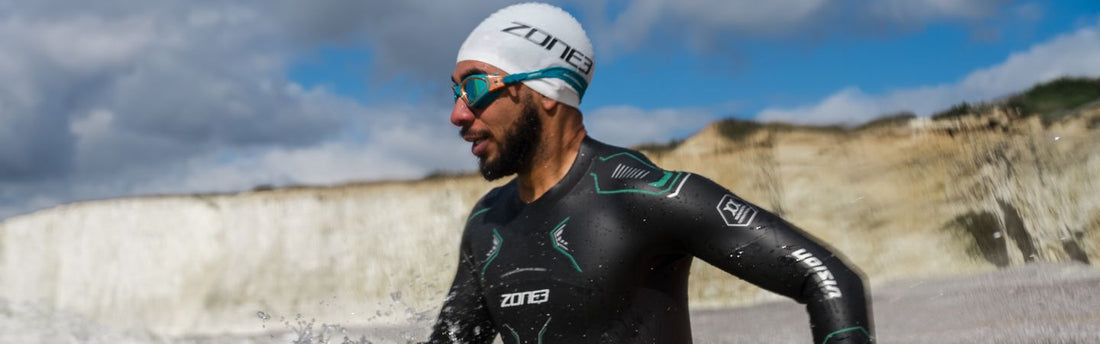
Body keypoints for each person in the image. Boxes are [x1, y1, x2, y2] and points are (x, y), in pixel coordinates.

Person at [426, 3, 872, 343]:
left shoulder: (638, 195)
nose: (457, 114)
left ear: (546, 91)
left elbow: (827, 277)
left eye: (475, 87)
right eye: (455, 91)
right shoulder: (488, 223)